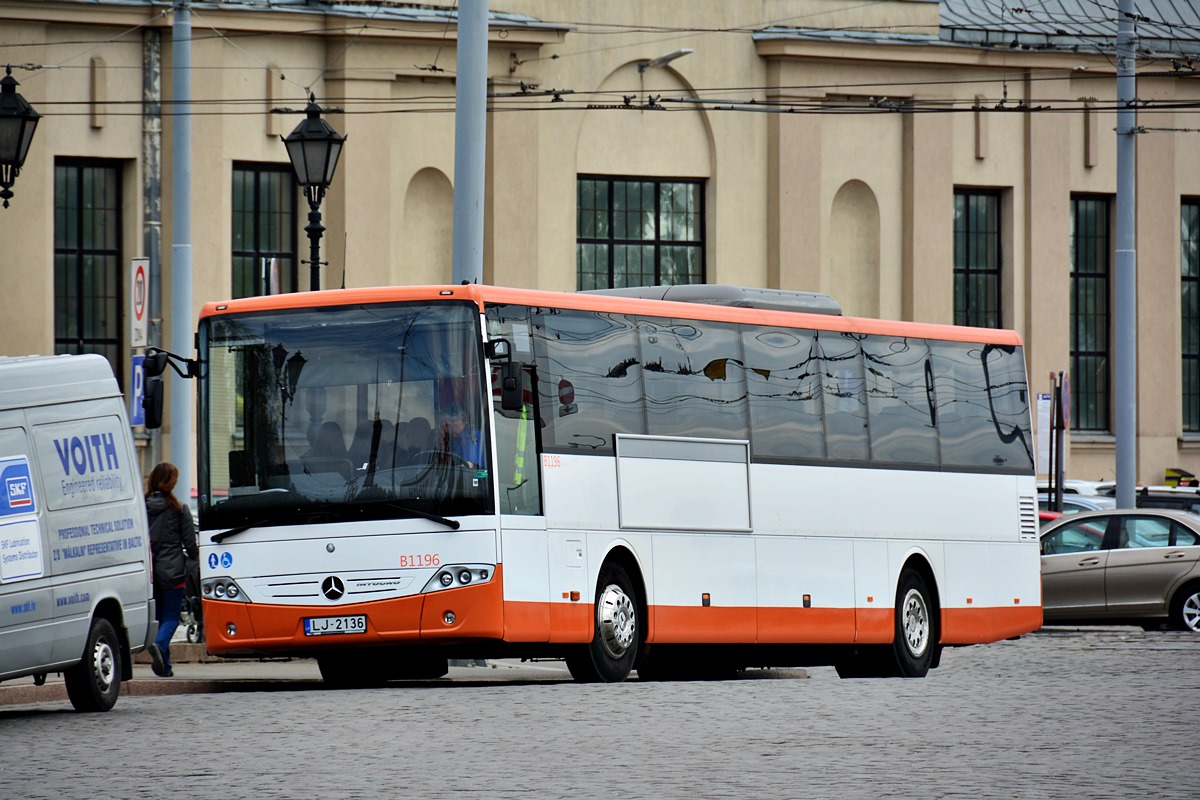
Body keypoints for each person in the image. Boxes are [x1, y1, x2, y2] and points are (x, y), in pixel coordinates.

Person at [145, 462, 198, 678]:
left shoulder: (141, 507)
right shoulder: (179, 509)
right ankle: (159, 644)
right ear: (172, 482)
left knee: (159, 617)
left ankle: (165, 666)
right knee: (172, 617)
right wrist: (197, 559)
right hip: (173, 571)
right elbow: (190, 544)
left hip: (149, 571)